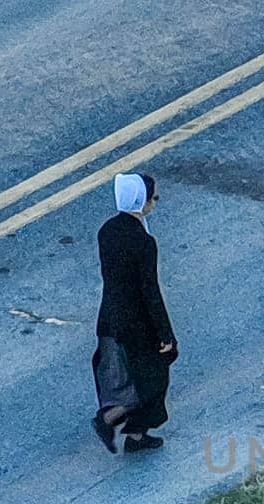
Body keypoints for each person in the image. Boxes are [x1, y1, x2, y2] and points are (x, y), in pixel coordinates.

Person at [91, 173, 178, 454]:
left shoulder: (106, 231)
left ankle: (137, 436)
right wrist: (165, 332)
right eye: (152, 198)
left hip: (109, 317)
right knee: (150, 380)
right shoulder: (144, 242)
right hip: (137, 324)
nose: (153, 203)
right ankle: (110, 420)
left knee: (123, 376)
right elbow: (150, 291)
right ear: (141, 201)